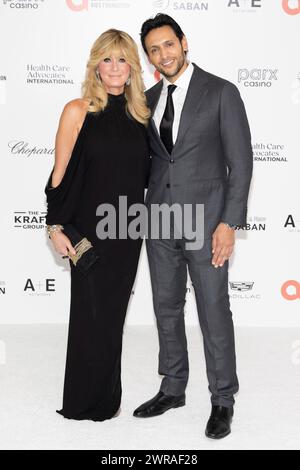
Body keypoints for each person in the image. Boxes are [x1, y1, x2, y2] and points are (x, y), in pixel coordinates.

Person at [133, 14, 253, 439]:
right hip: (160, 220)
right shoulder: (145, 99)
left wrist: (229, 224)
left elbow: (241, 165)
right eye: (153, 49)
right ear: (147, 57)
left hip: (207, 222)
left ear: (184, 43)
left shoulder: (221, 92)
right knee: (166, 307)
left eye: (168, 44)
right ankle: (173, 387)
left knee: (213, 310)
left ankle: (223, 399)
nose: (163, 54)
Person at [44, 29, 150, 421]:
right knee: (89, 314)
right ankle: (83, 402)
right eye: (107, 59)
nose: (115, 68)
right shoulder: (78, 110)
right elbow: (59, 176)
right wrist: (55, 227)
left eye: (122, 59)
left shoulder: (142, 115)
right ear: (96, 65)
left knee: (111, 317)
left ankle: (107, 398)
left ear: (132, 67)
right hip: (88, 230)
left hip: (128, 230)